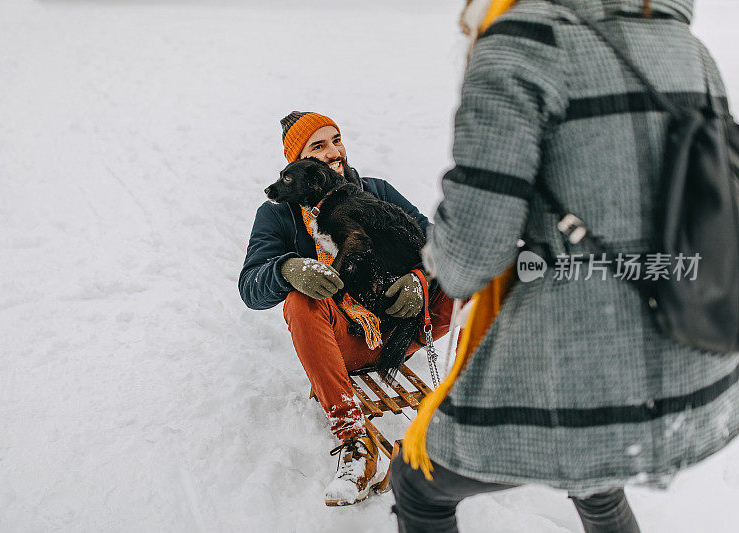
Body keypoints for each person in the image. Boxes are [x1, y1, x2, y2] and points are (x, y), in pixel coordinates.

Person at [390, 0, 739, 532]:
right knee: (595, 481)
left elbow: (466, 260)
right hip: (700, 370)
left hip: (580, 378)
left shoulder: (525, 39)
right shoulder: (685, 44)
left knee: (418, 486)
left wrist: (437, 251)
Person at [239, 111, 455, 506]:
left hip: (404, 327)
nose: (334, 151)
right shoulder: (277, 214)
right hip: (339, 342)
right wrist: (285, 268)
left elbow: (441, 246)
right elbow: (250, 288)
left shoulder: (376, 191)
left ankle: (479, 410)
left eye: (336, 139)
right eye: (317, 146)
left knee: (478, 279)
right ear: (297, 161)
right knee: (300, 300)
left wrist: (423, 282)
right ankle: (356, 444)